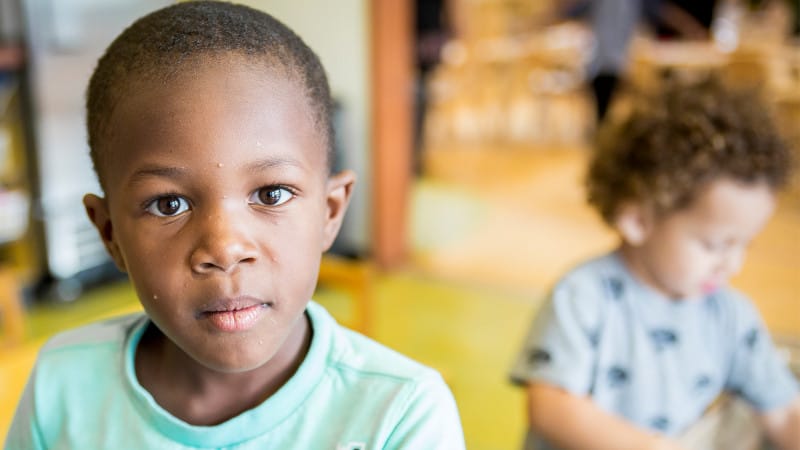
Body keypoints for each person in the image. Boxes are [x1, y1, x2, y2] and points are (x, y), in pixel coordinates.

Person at [4, 2, 465, 449]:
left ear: (329, 212)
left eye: (272, 194)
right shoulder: (61, 385)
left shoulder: (401, 417)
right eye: (169, 204)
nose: (224, 248)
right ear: (110, 234)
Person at [509, 77, 800, 450]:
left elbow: (784, 412)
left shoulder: (731, 317)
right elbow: (552, 409)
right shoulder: (584, 296)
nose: (732, 264)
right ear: (638, 220)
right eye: (714, 244)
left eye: (744, 244)